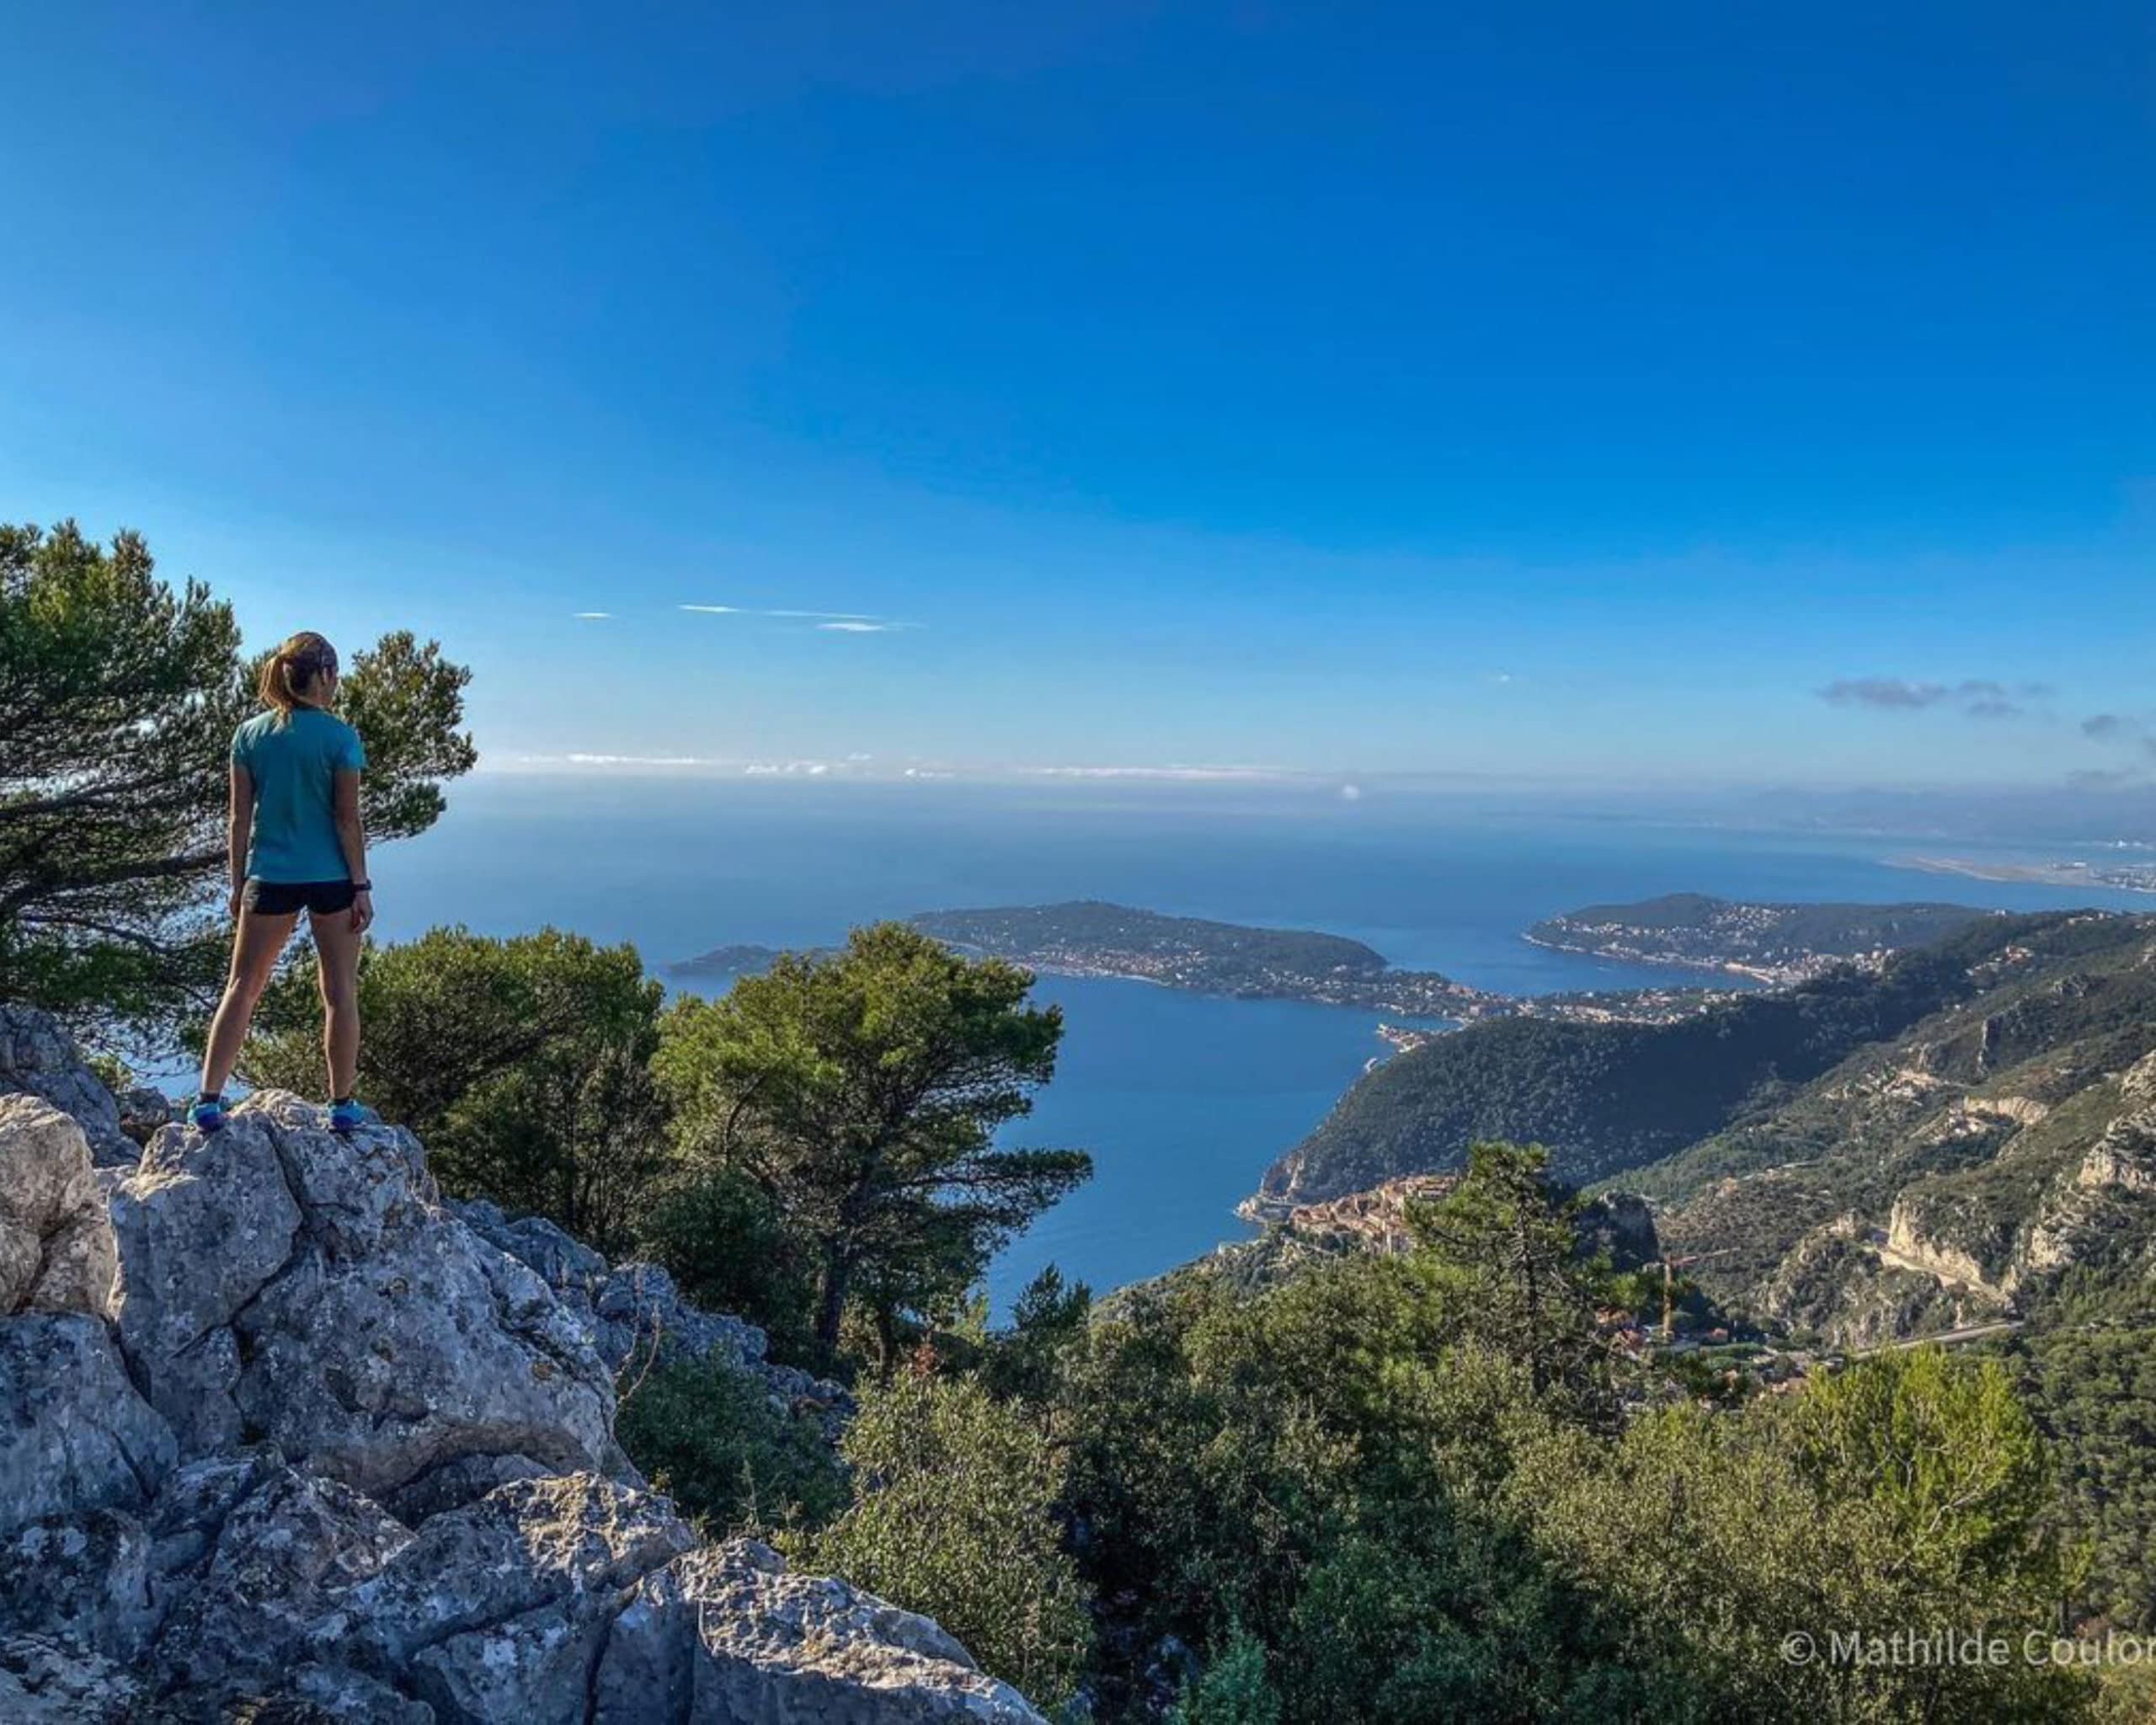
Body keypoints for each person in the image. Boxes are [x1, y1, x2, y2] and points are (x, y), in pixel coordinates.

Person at [189, 632, 374, 1134]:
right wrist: (361, 886)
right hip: (332, 878)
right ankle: (342, 1105)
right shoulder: (341, 737)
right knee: (340, 993)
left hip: (268, 877)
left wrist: (237, 884)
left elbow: (238, 819)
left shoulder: (250, 735)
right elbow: (347, 820)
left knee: (242, 988)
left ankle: (208, 1100)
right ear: (326, 675)